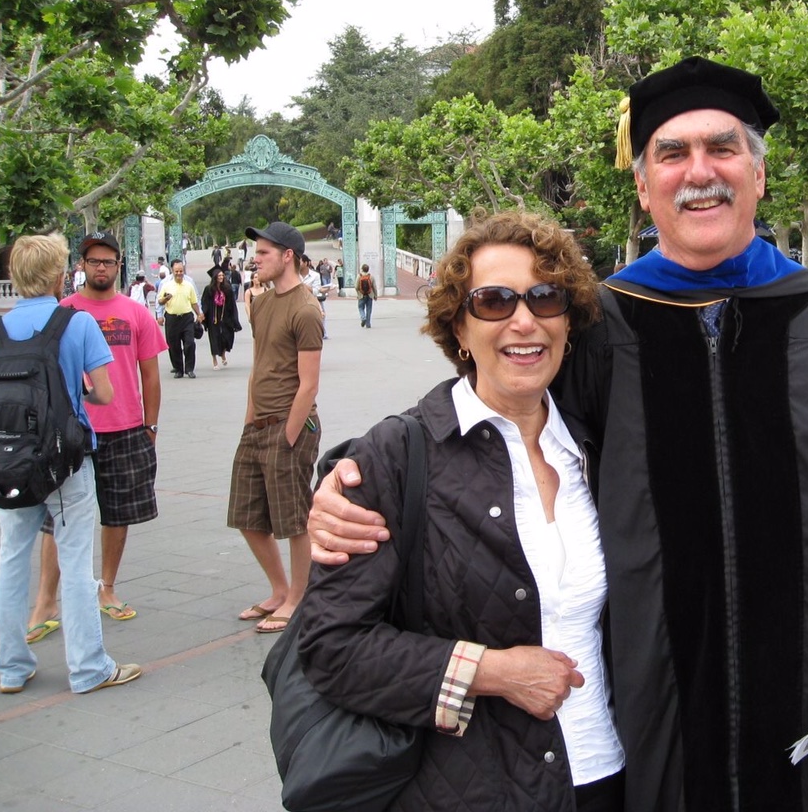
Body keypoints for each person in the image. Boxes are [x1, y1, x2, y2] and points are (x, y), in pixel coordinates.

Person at [308, 57, 808, 812]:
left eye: (723, 149)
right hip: (658, 739)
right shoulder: (602, 333)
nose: (701, 173)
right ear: (642, 185)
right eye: (672, 153)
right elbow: (489, 415)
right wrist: (349, 474)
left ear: (759, 175)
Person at [298, 211, 623, 809]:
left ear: (568, 321)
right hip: (472, 787)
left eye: (545, 298)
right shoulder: (398, 456)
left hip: (608, 774)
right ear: (459, 326)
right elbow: (330, 646)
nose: (524, 320)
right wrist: (492, 671)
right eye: (494, 301)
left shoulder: (598, 451)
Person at [0, 233, 141, 694]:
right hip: (64, 462)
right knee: (75, 561)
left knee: (12, 558)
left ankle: (12, 666)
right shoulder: (75, 324)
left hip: (8, 460)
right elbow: (105, 392)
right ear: (60, 275)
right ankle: (88, 667)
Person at [26, 231, 167, 634]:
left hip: (125, 428)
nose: (100, 268)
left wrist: (150, 425)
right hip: (70, 432)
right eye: (93, 261)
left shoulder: (135, 312)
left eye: (107, 262)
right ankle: (45, 601)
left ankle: (107, 587)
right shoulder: (63, 312)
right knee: (58, 518)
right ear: (81, 266)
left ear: (118, 266)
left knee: (117, 513)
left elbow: (150, 375)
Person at [229, 222, 323, 635]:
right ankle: (279, 589)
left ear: (288, 255)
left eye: (264, 252)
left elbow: (309, 382)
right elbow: (259, 365)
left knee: (292, 520)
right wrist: (250, 419)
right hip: (257, 424)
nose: (256, 259)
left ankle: (298, 598)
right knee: (246, 515)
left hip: (290, 425)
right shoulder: (261, 304)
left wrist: (289, 433)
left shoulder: (306, 309)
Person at [157, 259, 203, 379]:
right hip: (172, 318)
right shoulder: (166, 285)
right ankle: (178, 369)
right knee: (173, 345)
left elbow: (194, 302)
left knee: (189, 343)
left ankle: (189, 369)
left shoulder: (188, 285)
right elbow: (160, 301)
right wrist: (165, 299)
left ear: (183, 271)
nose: (179, 273)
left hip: (187, 318)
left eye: (181, 271)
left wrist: (199, 314)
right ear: (172, 272)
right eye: (176, 271)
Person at [201, 264, 241, 370]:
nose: (221, 277)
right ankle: (214, 360)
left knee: (226, 337)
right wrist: (203, 315)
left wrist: (234, 318)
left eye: (222, 275)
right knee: (214, 338)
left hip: (225, 317)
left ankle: (223, 353)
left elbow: (232, 304)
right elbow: (204, 303)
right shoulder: (209, 289)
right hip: (213, 318)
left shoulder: (227, 289)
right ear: (214, 277)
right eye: (219, 276)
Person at [355, 262, 376, 328]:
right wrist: (375, 295)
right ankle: (368, 324)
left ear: (362, 269)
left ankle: (363, 317)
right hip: (370, 295)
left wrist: (358, 293)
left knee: (360, 307)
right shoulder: (371, 276)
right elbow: (374, 287)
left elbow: (356, 286)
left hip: (361, 295)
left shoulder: (359, 276)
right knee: (369, 309)